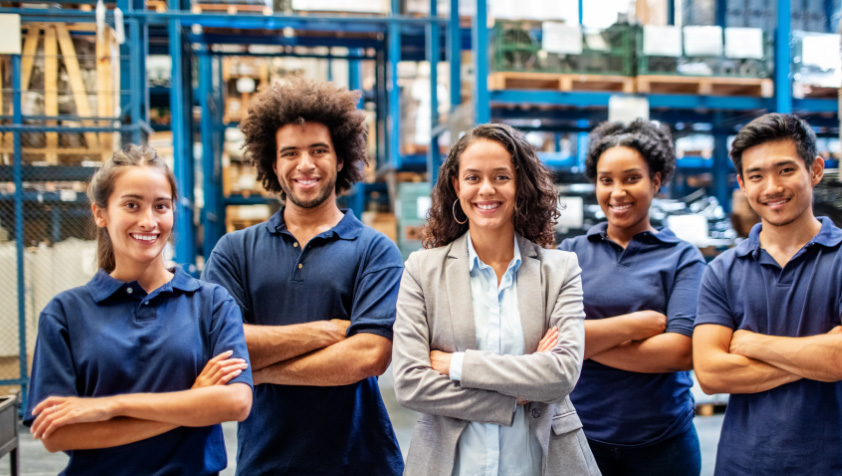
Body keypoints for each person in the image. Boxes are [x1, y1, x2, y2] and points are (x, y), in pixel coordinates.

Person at [201, 77, 404, 475]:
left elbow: (370, 354)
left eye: (319, 150)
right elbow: (222, 345)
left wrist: (261, 370)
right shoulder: (235, 250)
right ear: (273, 164)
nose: (305, 164)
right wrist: (329, 331)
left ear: (341, 158)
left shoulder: (375, 250)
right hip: (266, 461)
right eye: (290, 152)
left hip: (361, 462)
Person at [25, 145, 253, 475]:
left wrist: (109, 407)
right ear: (100, 213)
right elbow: (57, 434)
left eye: (161, 206)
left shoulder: (212, 304)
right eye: (132, 205)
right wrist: (192, 401)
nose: (149, 221)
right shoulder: (64, 313)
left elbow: (235, 402)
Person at [392, 123, 601, 476]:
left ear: (519, 185)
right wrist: (515, 396)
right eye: (473, 177)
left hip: (540, 464)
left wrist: (457, 365)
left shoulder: (560, 269)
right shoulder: (422, 270)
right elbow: (411, 384)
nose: (486, 189)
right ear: (456, 186)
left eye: (501, 177)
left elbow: (562, 374)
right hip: (453, 466)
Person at [692, 113, 842, 475]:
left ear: (815, 170)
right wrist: (823, 356)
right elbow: (710, 373)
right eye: (756, 176)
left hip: (831, 466)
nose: (771, 187)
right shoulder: (723, 270)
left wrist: (751, 344)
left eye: (785, 170)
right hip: (742, 466)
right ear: (742, 183)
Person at [557, 119, 705, 475]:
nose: (617, 192)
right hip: (579, 441)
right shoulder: (569, 254)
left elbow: (681, 351)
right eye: (606, 180)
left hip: (665, 446)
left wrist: (583, 342)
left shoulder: (683, 258)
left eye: (631, 178)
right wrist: (635, 325)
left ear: (655, 181)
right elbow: (547, 344)